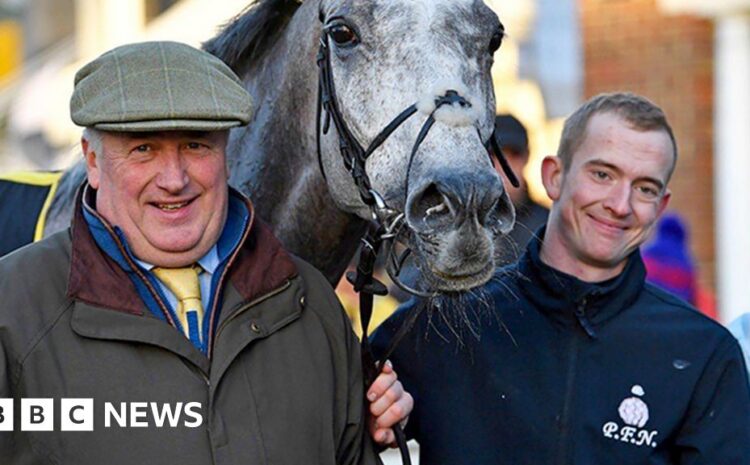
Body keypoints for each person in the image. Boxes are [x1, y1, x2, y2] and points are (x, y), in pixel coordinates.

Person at [0, 41, 410, 464]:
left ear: (227, 155)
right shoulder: (11, 311)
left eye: (196, 145)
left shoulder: (312, 305)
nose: (174, 179)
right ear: (93, 162)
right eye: (144, 148)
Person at [373, 92, 750, 464]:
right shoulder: (444, 325)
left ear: (661, 206)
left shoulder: (702, 355)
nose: (620, 204)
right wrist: (380, 413)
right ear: (554, 177)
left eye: (645, 188)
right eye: (602, 174)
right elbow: (334, 419)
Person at [493, 114, 548, 264]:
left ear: (527, 156)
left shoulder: (549, 226)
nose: (503, 165)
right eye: (494, 154)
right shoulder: (460, 224)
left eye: (513, 154)